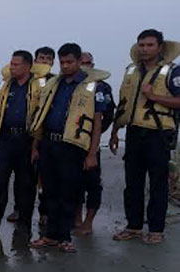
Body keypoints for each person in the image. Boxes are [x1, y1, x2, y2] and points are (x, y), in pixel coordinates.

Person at [29, 43, 109, 253]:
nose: (65, 66)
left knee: (69, 192)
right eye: (62, 62)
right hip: (49, 142)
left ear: (78, 61)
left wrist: (92, 153)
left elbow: (98, 122)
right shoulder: (54, 84)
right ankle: (50, 236)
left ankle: (65, 237)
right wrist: (36, 146)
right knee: (50, 191)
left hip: (73, 146)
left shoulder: (94, 86)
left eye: (70, 62)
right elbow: (42, 115)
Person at [110, 29, 180, 245]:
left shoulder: (173, 72)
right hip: (133, 132)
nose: (145, 49)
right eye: (142, 45)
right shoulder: (131, 71)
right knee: (132, 182)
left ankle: (156, 229)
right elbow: (123, 104)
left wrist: (153, 96)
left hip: (157, 133)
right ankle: (133, 226)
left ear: (159, 47)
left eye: (150, 45)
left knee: (158, 183)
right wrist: (114, 132)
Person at [0, 50, 51, 236]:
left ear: (28, 66)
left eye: (16, 64)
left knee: (26, 185)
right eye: (11, 64)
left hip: (27, 141)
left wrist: (36, 146)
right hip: (5, 140)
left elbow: (41, 118)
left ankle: (24, 224)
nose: (12, 67)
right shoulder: (6, 86)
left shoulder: (39, 87)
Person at [7, 46, 57, 224]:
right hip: (21, 138)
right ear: (34, 62)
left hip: (46, 137)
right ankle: (18, 209)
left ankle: (45, 212)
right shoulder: (17, 81)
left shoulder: (54, 82)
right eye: (41, 58)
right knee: (23, 177)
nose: (45, 62)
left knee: (46, 176)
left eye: (48, 59)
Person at [73, 51, 115, 236]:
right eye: (81, 63)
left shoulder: (101, 87)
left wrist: (95, 136)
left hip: (90, 142)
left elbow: (108, 115)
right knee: (73, 183)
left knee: (92, 183)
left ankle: (88, 222)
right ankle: (76, 218)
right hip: (70, 142)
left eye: (88, 63)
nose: (84, 66)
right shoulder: (68, 85)